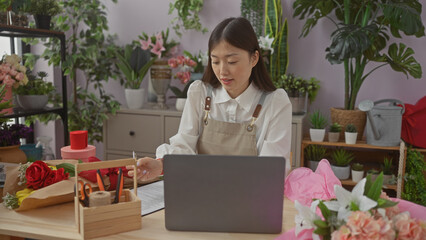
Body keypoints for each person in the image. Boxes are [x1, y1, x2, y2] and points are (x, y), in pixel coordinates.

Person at [127, 17, 292, 180]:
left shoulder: (275, 102)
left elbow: (272, 169)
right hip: (202, 193)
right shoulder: (200, 93)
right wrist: (161, 165)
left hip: (252, 198)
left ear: (254, 58)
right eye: (215, 62)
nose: (222, 71)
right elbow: (184, 145)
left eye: (232, 61)